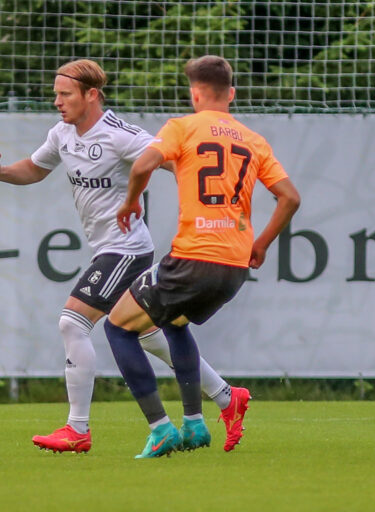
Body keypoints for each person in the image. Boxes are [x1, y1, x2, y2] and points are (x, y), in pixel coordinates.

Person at [0, 59, 251, 454]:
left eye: (65, 94)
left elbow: (172, 159)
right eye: (56, 94)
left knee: (72, 323)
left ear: (91, 95)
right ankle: (226, 397)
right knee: (150, 335)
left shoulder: (119, 135)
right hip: (108, 249)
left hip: (127, 249)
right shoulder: (62, 134)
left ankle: (78, 429)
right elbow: (34, 170)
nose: (57, 101)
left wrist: (209, 190)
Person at [104, 55, 301, 458]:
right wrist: (260, 244)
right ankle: (196, 422)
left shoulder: (182, 127)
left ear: (195, 94)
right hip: (234, 267)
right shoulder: (253, 139)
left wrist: (130, 201)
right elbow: (290, 198)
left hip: (194, 258)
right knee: (174, 324)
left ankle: (160, 429)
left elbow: (143, 163)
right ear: (231, 93)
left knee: (117, 327)